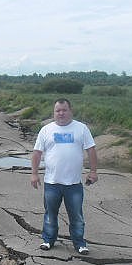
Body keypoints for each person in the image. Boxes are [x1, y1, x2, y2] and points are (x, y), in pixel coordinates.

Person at [31, 98, 98, 254]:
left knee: (76, 216)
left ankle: (80, 243)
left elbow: (91, 150)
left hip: (73, 184)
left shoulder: (81, 128)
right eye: (58, 110)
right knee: (50, 215)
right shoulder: (46, 130)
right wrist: (34, 173)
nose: (61, 113)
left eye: (64, 110)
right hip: (51, 183)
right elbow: (37, 153)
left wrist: (93, 171)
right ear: (54, 112)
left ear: (70, 111)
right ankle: (48, 240)